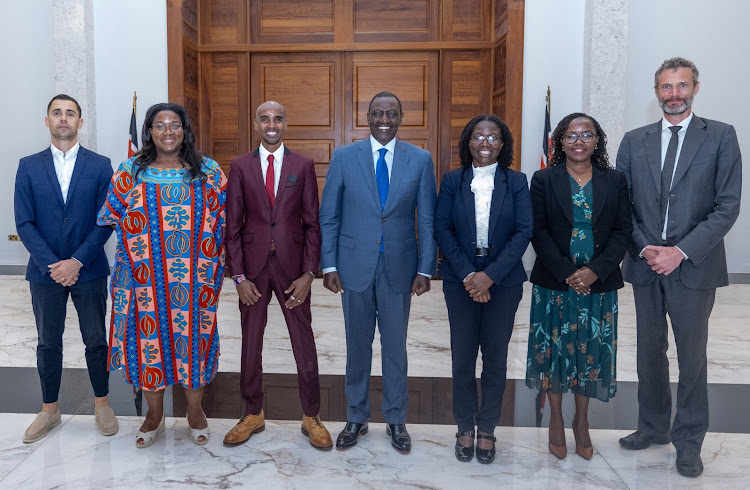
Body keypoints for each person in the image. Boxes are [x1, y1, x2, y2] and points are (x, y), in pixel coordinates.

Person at [616, 57, 742, 477]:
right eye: (667, 88)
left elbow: (727, 207)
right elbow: (623, 205)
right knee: (650, 352)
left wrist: (679, 252)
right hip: (645, 263)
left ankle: (688, 441)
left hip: (694, 266)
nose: (674, 95)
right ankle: (652, 427)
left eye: (682, 86)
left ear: (695, 88)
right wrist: (647, 248)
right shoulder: (634, 141)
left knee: (693, 357)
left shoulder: (721, 136)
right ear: (657, 92)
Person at [97, 102, 227, 448]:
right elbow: (109, 217)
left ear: (185, 130)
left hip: (194, 282)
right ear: (149, 132)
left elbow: (229, 221)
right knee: (150, 346)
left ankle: (195, 412)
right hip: (145, 282)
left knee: (193, 345)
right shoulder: (130, 171)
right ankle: (154, 415)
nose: (167, 132)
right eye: (159, 125)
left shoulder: (209, 171)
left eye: (174, 125)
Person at [319, 91, 437, 452]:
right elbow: (330, 216)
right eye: (378, 113)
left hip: (400, 269)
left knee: (395, 348)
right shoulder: (343, 156)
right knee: (357, 346)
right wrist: (329, 263)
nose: (384, 119)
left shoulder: (419, 160)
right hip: (352, 267)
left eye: (392, 113)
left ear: (401, 118)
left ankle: (396, 419)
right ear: (367, 118)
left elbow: (428, 220)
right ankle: (356, 417)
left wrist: (426, 269)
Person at [222, 101, 332, 449]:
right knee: (250, 343)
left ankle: (311, 415)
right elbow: (232, 226)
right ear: (256, 124)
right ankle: (253, 412)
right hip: (252, 272)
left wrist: (309, 273)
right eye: (265, 119)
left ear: (286, 123)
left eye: (278, 118)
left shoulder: (303, 164)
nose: (272, 124)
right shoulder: (240, 166)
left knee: (303, 342)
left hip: (293, 271)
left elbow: (313, 225)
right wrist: (238, 277)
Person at [525, 113, 632, 460]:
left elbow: (622, 230)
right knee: (555, 351)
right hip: (555, 283)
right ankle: (556, 417)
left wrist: (595, 271)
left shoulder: (614, 180)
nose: (579, 141)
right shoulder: (543, 179)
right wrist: (568, 272)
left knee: (588, 353)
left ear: (597, 141)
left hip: (598, 285)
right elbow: (537, 230)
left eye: (587, 135)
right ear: (560, 141)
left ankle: (581, 420)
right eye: (571, 135)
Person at [15, 94, 118, 443]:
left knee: (95, 340)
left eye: (70, 113)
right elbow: (24, 222)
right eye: (57, 113)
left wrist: (76, 261)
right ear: (47, 121)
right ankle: (49, 410)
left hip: (88, 270)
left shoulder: (101, 165)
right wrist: (52, 264)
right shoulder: (28, 166)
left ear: (80, 122)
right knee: (48, 342)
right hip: (44, 274)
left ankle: (102, 404)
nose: (63, 119)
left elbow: (107, 219)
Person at [434, 115, 533, 463]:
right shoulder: (451, 180)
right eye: (478, 136)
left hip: (503, 282)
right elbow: (442, 228)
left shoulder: (517, 182)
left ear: (503, 144)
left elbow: (523, 231)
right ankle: (464, 424)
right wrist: (469, 277)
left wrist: (489, 276)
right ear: (468, 143)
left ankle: (488, 426)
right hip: (459, 279)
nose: (486, 142)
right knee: (462, 357)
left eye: (493, 137)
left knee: (495, 357)